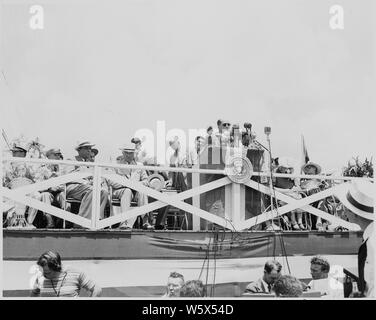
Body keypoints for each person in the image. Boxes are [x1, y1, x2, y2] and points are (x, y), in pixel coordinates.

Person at [108, 145, 151, 230]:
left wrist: (136, 184)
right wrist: (125, 184)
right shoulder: (116, 165)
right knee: (127, 191)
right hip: (120, 191)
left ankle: (145, 221)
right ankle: (124, 221)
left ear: (134, 154)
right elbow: (111, 181)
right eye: (126, 153)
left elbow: (146, 181)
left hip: (135, 191)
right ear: (122, 153)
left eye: (131, 153)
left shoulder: (139, 165)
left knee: (142, 192)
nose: (129, 155)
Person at [64, 141, 108, 224]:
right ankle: (81, 221)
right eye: (87, 148)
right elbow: (68, 177)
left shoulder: (89, 163)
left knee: (104, 192)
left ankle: (98, 219)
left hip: (85, 188)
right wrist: (85, 182)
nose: (89, 150)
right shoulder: (72, 160)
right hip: (73, 187)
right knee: (92, 190)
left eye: (90, 148)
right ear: (79, 150)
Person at [30, 251, 101, 297]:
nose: (44, 275)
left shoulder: (75, 272)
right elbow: (34, 294)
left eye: (47, 272)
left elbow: (96, 289)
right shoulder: (40, 276)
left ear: (57, 268)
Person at [3, 143, 40, 228]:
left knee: (37, 196)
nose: (13, 154)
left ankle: (29, 222)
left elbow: (35, 179)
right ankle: (11, 222)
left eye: (15, 152)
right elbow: (5, 181)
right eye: (13, 152)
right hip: (12, 191)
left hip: (28, 191)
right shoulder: (8, 165)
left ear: (23, 153)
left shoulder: (30, 164)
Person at [30, 148, 68, 228]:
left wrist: (58, 188)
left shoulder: (62, 168)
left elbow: (65, 183)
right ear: (48, 156)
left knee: (63, 195)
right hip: (47, 192)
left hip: (59, 192)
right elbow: (38, 185)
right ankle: (50, 220)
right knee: (45, 195)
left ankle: (64, 220)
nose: (58, 156)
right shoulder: (42, 168)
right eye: (55, 154)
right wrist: (49, 188)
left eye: (59, 155)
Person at [273, 157, 305, 230]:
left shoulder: (292, 174)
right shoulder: (275, 173)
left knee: (299, 198)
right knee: (289, 200)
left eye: (289, 168)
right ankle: (294, 222)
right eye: (285, 168)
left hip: (293, 194)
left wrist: (295, 188)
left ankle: (300, 222)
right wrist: (286, 191)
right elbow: (273, 188)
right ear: (281, 167)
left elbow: (298, 187)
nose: (287, 170)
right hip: (281, 195)